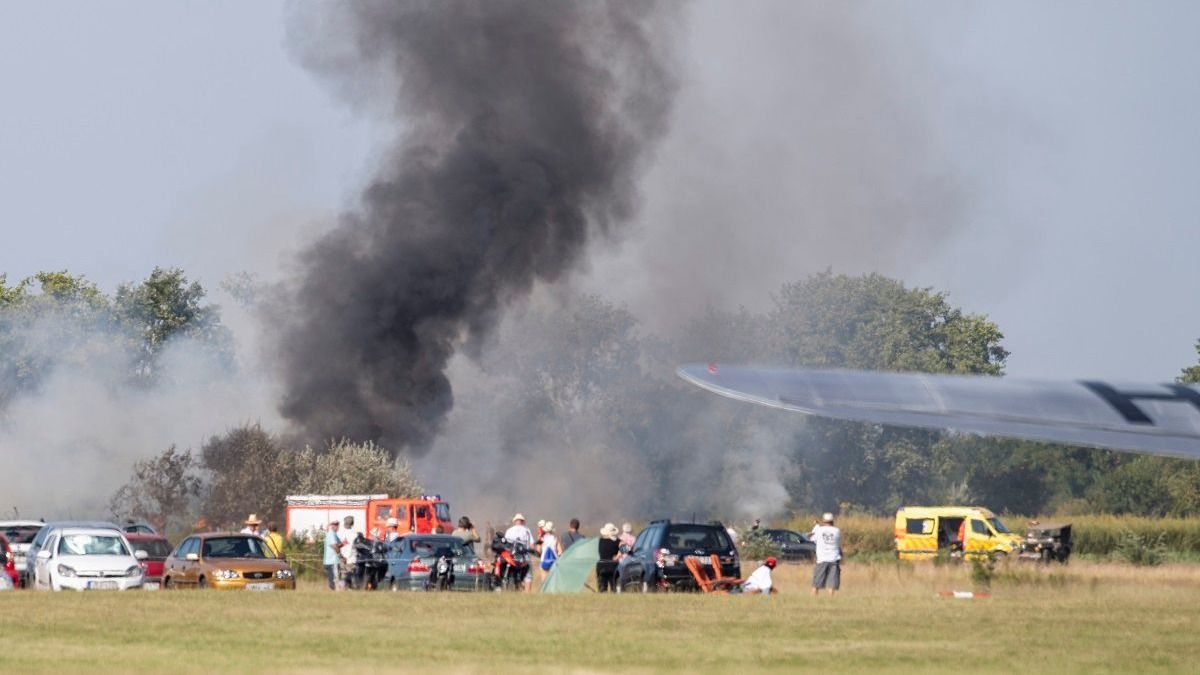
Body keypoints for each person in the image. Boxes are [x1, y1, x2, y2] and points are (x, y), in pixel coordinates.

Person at [810, 512, 842, 596]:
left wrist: (816, 526)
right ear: (832, 521)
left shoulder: (819, 530)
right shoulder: (837, 531)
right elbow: (838, 543)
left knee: (816, 583)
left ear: (823, 521)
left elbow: (812, 538)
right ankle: (830, 598)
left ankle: (813, 598)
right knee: (832, 583)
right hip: (834, 558)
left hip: (822, 559)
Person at [504, 514, 535, 590]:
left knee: (510, 574)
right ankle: (527, 595)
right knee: (528, 576)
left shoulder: (509, 530)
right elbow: (532, 545)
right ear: (523, 521)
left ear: (514, 521)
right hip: (525, 557)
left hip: (511, 558)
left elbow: (505, 545)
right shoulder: (526, 530)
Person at [596, 523, 621, 592]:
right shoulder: (617, 541)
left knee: (602, 589)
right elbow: (627, 549)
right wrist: (618, 556)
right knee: (614, 588)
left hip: (601, 566)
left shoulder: (599, 541)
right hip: (613, 566)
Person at [341, 515, 362, 590]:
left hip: (342, 558)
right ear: (352, 524)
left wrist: (342, 556)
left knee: (344, 574)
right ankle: (351, 588)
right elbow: (357, 546)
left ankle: (344, 588)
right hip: (352, 558)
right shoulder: (355, 534)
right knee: (352, 574)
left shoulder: (340, 533)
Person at [322, 520, 342, 590]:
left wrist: (344, 543)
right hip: (332, 561)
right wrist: (340, 556)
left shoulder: (334, 534)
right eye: (335, 525)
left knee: (335, 580)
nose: (337, 527)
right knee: (334, 582)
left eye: (337, 525)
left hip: (334, 561)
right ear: (332, 526)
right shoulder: (331, 534)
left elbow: (339, 544)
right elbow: (335, 546)